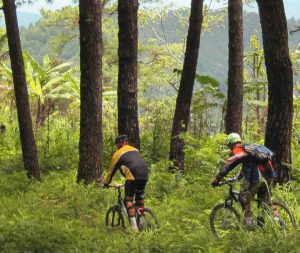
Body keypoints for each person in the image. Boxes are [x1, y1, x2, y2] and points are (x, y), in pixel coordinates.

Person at [211, 133, 276, 228]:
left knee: (243, 197)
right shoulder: (249, 149)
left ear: (231, 144)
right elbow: (248, 165)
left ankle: (248, 223)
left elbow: (228, 165)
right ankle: (274, 221)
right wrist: (239, 176)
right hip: (270, 175)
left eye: (229, 146)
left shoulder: (238, 150)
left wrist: (217, 179)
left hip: (257, 178)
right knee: (265, 201)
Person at [103, 135, 148, 231]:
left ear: (120, 144)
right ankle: (140, 221)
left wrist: (106, 183)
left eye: (118, 144)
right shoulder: (135, 150)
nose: (117, 146)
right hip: (145, 174)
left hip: (132, 176)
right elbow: (134, 163)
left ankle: (134, 228)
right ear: (127, 142)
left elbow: (111, 171)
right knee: (139, 198)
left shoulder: (117, 154)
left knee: (128, 200)